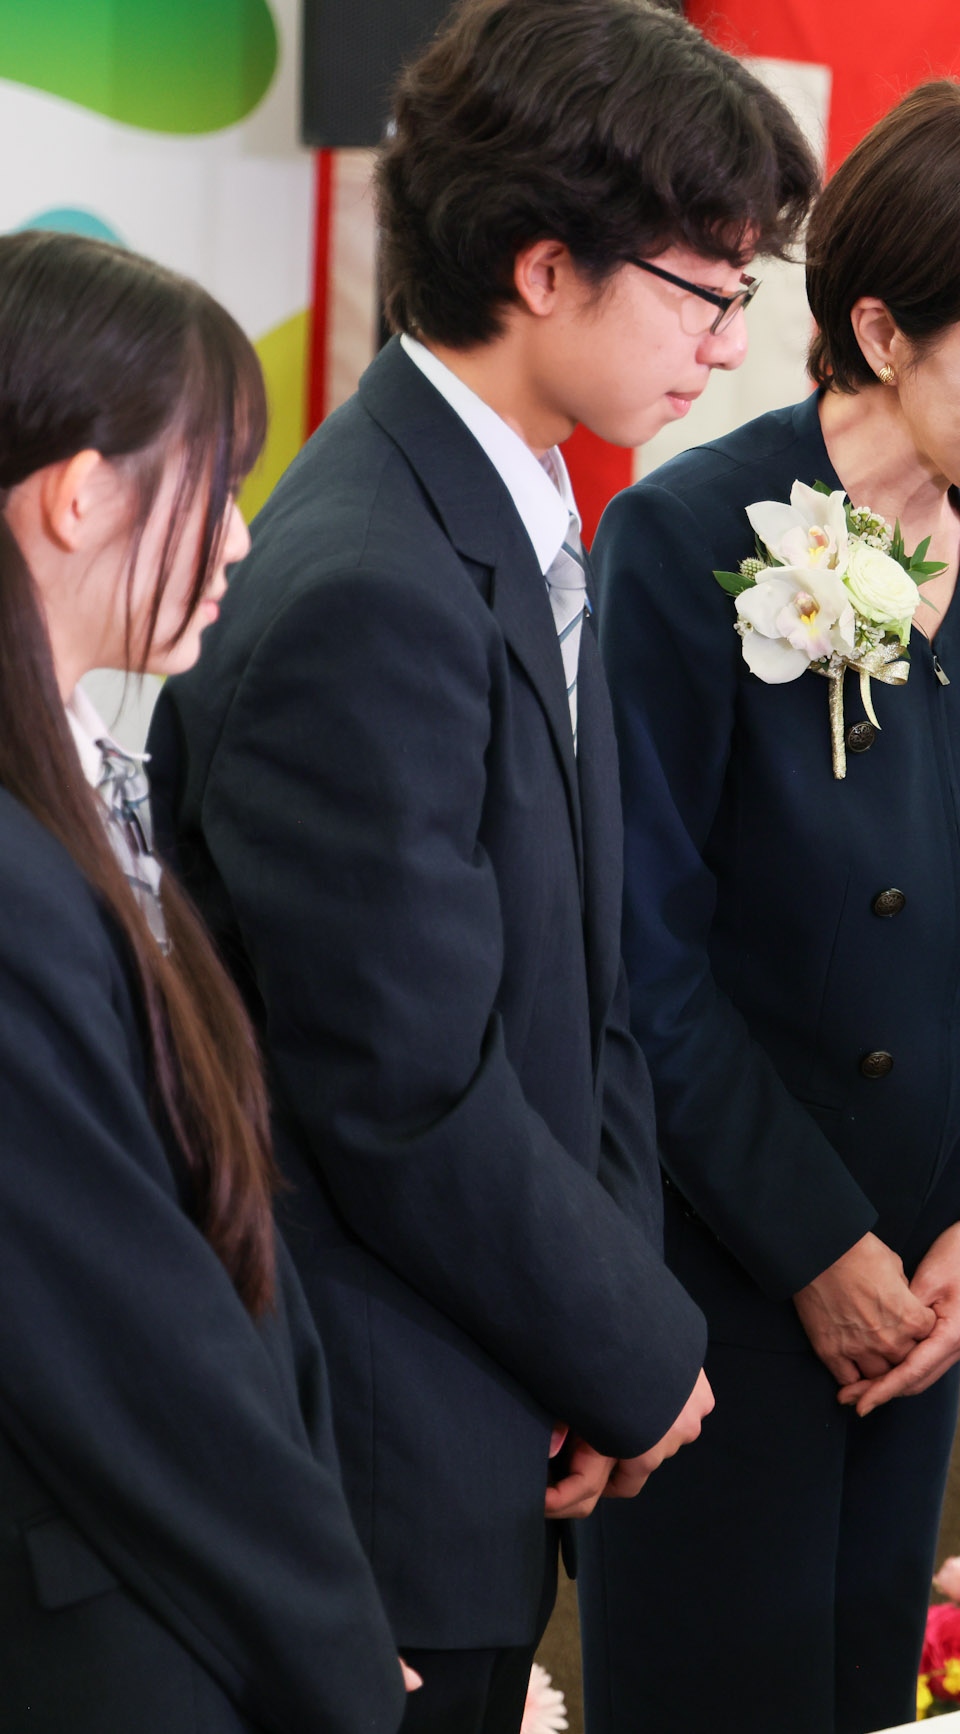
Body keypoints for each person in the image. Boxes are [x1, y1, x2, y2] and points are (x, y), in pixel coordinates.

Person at [146, 3, 816, 1726]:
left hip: (497, 1372)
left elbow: (578, 999)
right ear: (542, 267)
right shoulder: (370, 576)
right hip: (389, 1419)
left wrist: (602, 1328)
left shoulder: (498, 510)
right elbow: (398, 1082)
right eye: (705, 288)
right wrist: (633, 1345)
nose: (728, 347)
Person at [581, 81, 960, 1732]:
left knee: (862, 1682)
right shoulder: (689, 537)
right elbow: (640, 955)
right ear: (880, 327)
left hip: (928, 1283)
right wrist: (820, 1245)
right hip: (726, 1273)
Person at [0, 231, 409, 1732]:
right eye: (214, 479)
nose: (240, 538)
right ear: (80, 490)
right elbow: (130, 1336)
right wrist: (338, 1650)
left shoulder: (85, 788)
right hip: (116, 1636)